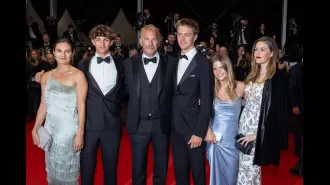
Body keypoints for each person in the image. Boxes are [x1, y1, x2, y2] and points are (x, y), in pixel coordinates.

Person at [35, 24, 125, 185]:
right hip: (89, 125)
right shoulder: (83, 66)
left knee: (111, 167)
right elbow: (61, 78)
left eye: (106, 40)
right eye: (98, 40)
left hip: (112, 125)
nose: (102, 43)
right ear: (92, 41)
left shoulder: (122, 64)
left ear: (112, 42)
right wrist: (39, 76)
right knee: (86, 168)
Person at [124, 24, 176, 185]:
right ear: (140, 41)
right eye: (146, 39)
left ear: (159, 42)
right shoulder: (128, 63)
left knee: (161, 167)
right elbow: (121, 92)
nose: (150, 43)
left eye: (154, 39)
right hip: (138, 124)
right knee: (138, 168)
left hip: (162, 124)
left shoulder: (172, 62)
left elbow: (178, 91)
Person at [31, 37, 88, 185]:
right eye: (59, 51)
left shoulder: (79, 76)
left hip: (68, 131)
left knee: (68, 172)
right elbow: (44, 104)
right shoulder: (46, 76)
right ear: (54, 53)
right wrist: (35, 128)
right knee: (53, 169)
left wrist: (80, 133)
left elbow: (81, 106)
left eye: (67, 51)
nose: (63, 55)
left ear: (72, 53)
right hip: (50, 130)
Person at [236, 36, 289, 184]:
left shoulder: (277, 78)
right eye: (256, 49)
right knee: (247, 171)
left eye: (263, 49)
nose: (257, 52)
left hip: (258, 132)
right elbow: (247, 102)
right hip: (243, 127)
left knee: (247, 174)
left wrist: (256, 134)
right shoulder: (252, 74)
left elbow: (277, 113)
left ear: (272, 53)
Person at [171, 18, 214, 185]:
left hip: (193, 129)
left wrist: (199, 132)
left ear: (195, 37)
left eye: (186, 35)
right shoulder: (174, 61)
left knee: (198, 174)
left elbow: (207, 101)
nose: (182, 38)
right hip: (175, 128)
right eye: (179, 34)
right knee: (180, 173)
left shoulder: (203, 63)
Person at [205, 53, 245, 185]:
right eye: (215, 69)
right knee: (216, 178)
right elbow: (205, 113)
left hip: (233, 142)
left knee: (232, 177)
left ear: (227, 67)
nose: (218, 72)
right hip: (214, 140)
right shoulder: (211, 89)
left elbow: (254, 110)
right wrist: (207, 131)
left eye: (221, 67)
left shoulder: (240, 86)